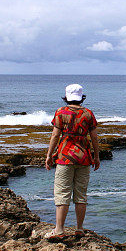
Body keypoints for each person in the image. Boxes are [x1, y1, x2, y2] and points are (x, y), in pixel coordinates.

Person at [44, 84, 100, 240]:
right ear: (81, 97)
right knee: (81, 195)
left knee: (62, 193)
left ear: (66, 97)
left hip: (64, 157)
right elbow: (94, 137)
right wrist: (96, 156)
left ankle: (59, 230)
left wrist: (49, 155)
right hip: (84, 158)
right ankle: (79, 229)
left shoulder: (61, 113)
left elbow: (55, 136)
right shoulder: (88, 114)